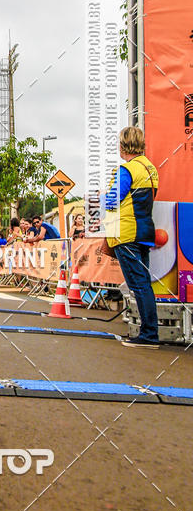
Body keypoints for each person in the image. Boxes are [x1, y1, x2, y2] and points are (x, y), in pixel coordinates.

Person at [104, 126, 160, 348]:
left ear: (122, 145)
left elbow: (111, 201)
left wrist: (102, 197)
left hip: (126, 233)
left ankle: (148, 334)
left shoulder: (126, 170)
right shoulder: (150, 168)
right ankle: (148, 331)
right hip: (145, 231)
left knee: (139, 285)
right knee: (143, 283)